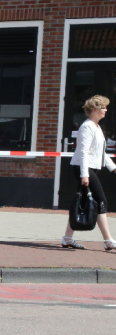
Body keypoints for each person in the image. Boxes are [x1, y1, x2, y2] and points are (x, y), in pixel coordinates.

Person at [62, 95, 116, 250]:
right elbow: (83, 152)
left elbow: (100, 153)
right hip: (84, 168)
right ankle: (108, 240)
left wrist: (113, 167)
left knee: (83, 202)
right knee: (101, 201)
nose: (105, 110)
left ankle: (67, 238)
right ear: (94, 109)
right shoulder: (87, 127)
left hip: (91, 168)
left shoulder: (96, 127)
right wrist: (84, 174)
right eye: (103, 108)